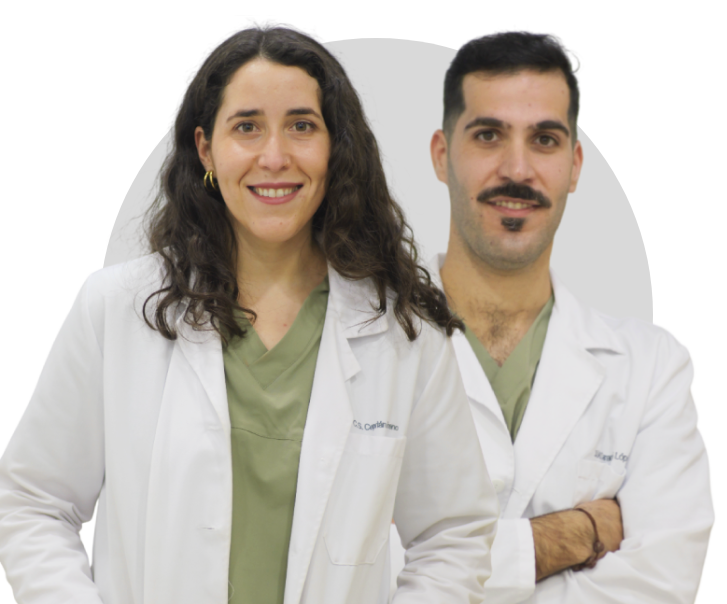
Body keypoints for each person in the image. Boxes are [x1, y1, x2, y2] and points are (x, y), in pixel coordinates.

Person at [0, 21, 501, 604]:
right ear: (206, 149)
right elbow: (35, 503)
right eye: (247, 127)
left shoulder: (403, 332)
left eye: (302, 126)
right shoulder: (115, 311)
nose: (275, 156)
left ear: (335, 147)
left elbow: (453, 535)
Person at [390, 29, 715, 603]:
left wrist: (439, 566)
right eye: (488, 135)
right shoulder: (359, 344)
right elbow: (340, 569)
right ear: (442, 156)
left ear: (574, 164)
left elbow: (661, 586)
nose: (517, 169)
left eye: (544, 139)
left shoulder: (650, 368)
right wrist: (572, 535)